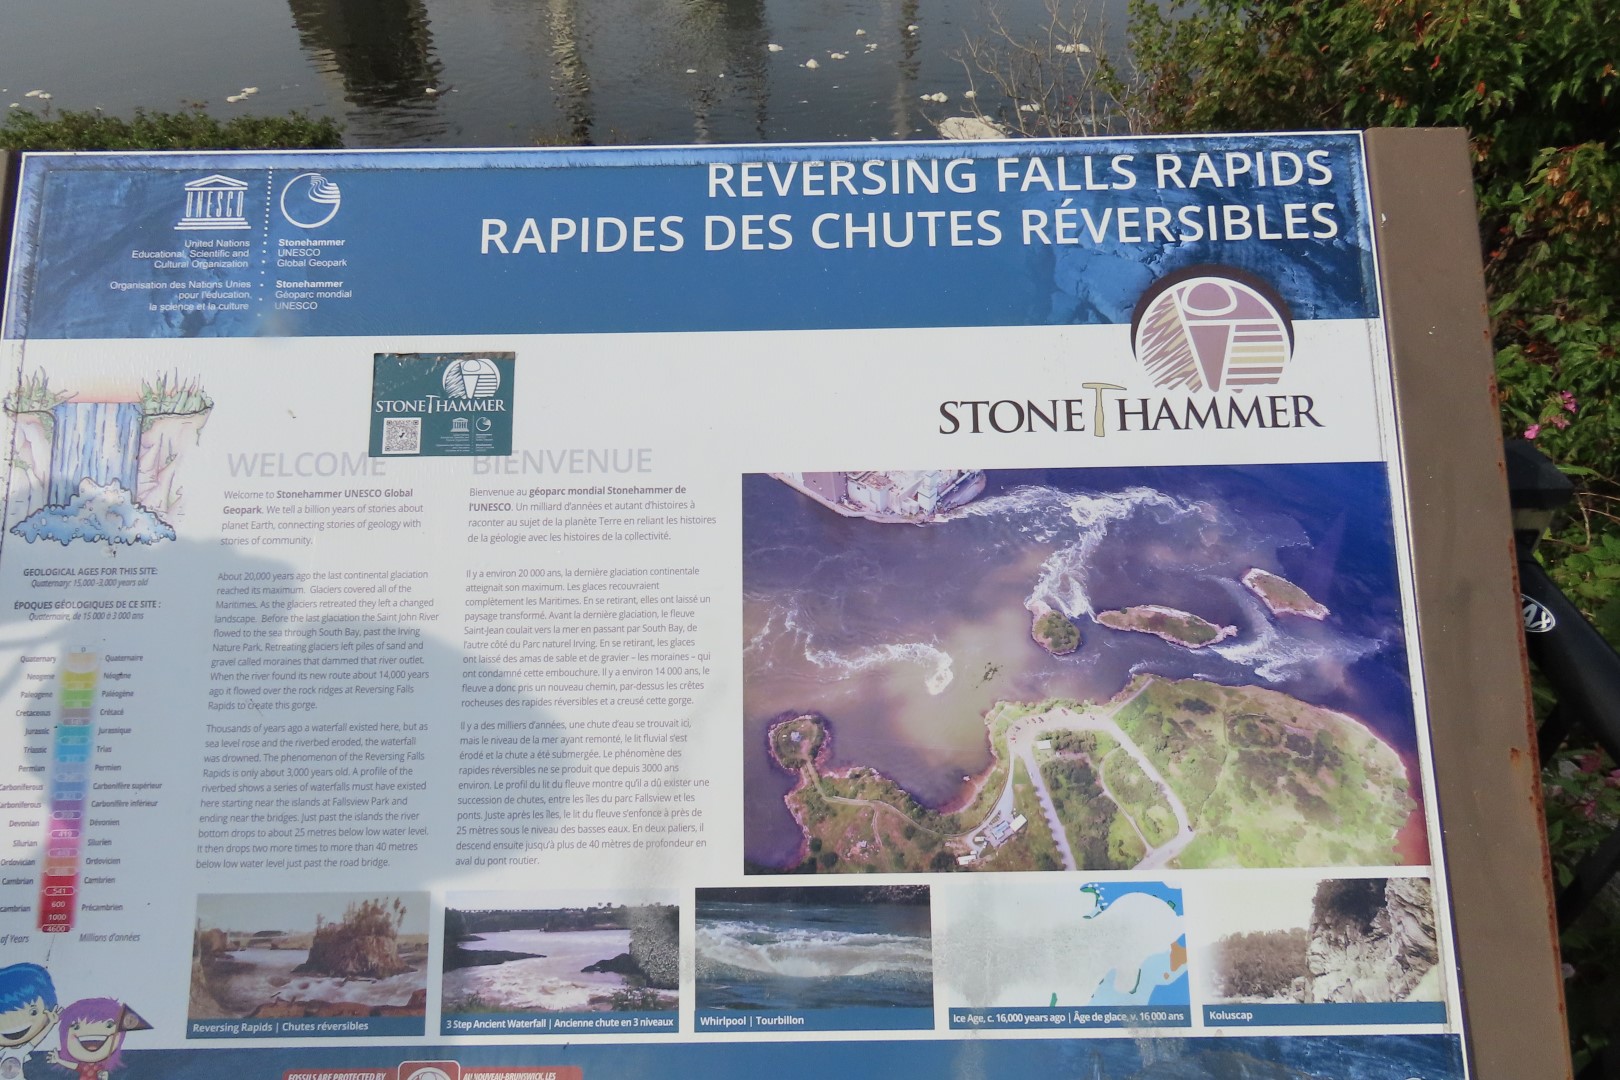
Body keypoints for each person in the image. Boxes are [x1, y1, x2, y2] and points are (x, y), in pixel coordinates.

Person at [0, 963, 58, 1079]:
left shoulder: (19, 1051)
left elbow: (34, 1041)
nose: (16, 1023)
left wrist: (50, 1023)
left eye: (33, 1012)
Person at [46, 1000, 127, 1080]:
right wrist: (58, 1060)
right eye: (76, 1027)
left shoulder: (100, 1067)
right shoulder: (83, 1066)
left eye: (109, 1025)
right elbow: (73, 1066)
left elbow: (103, 1075)